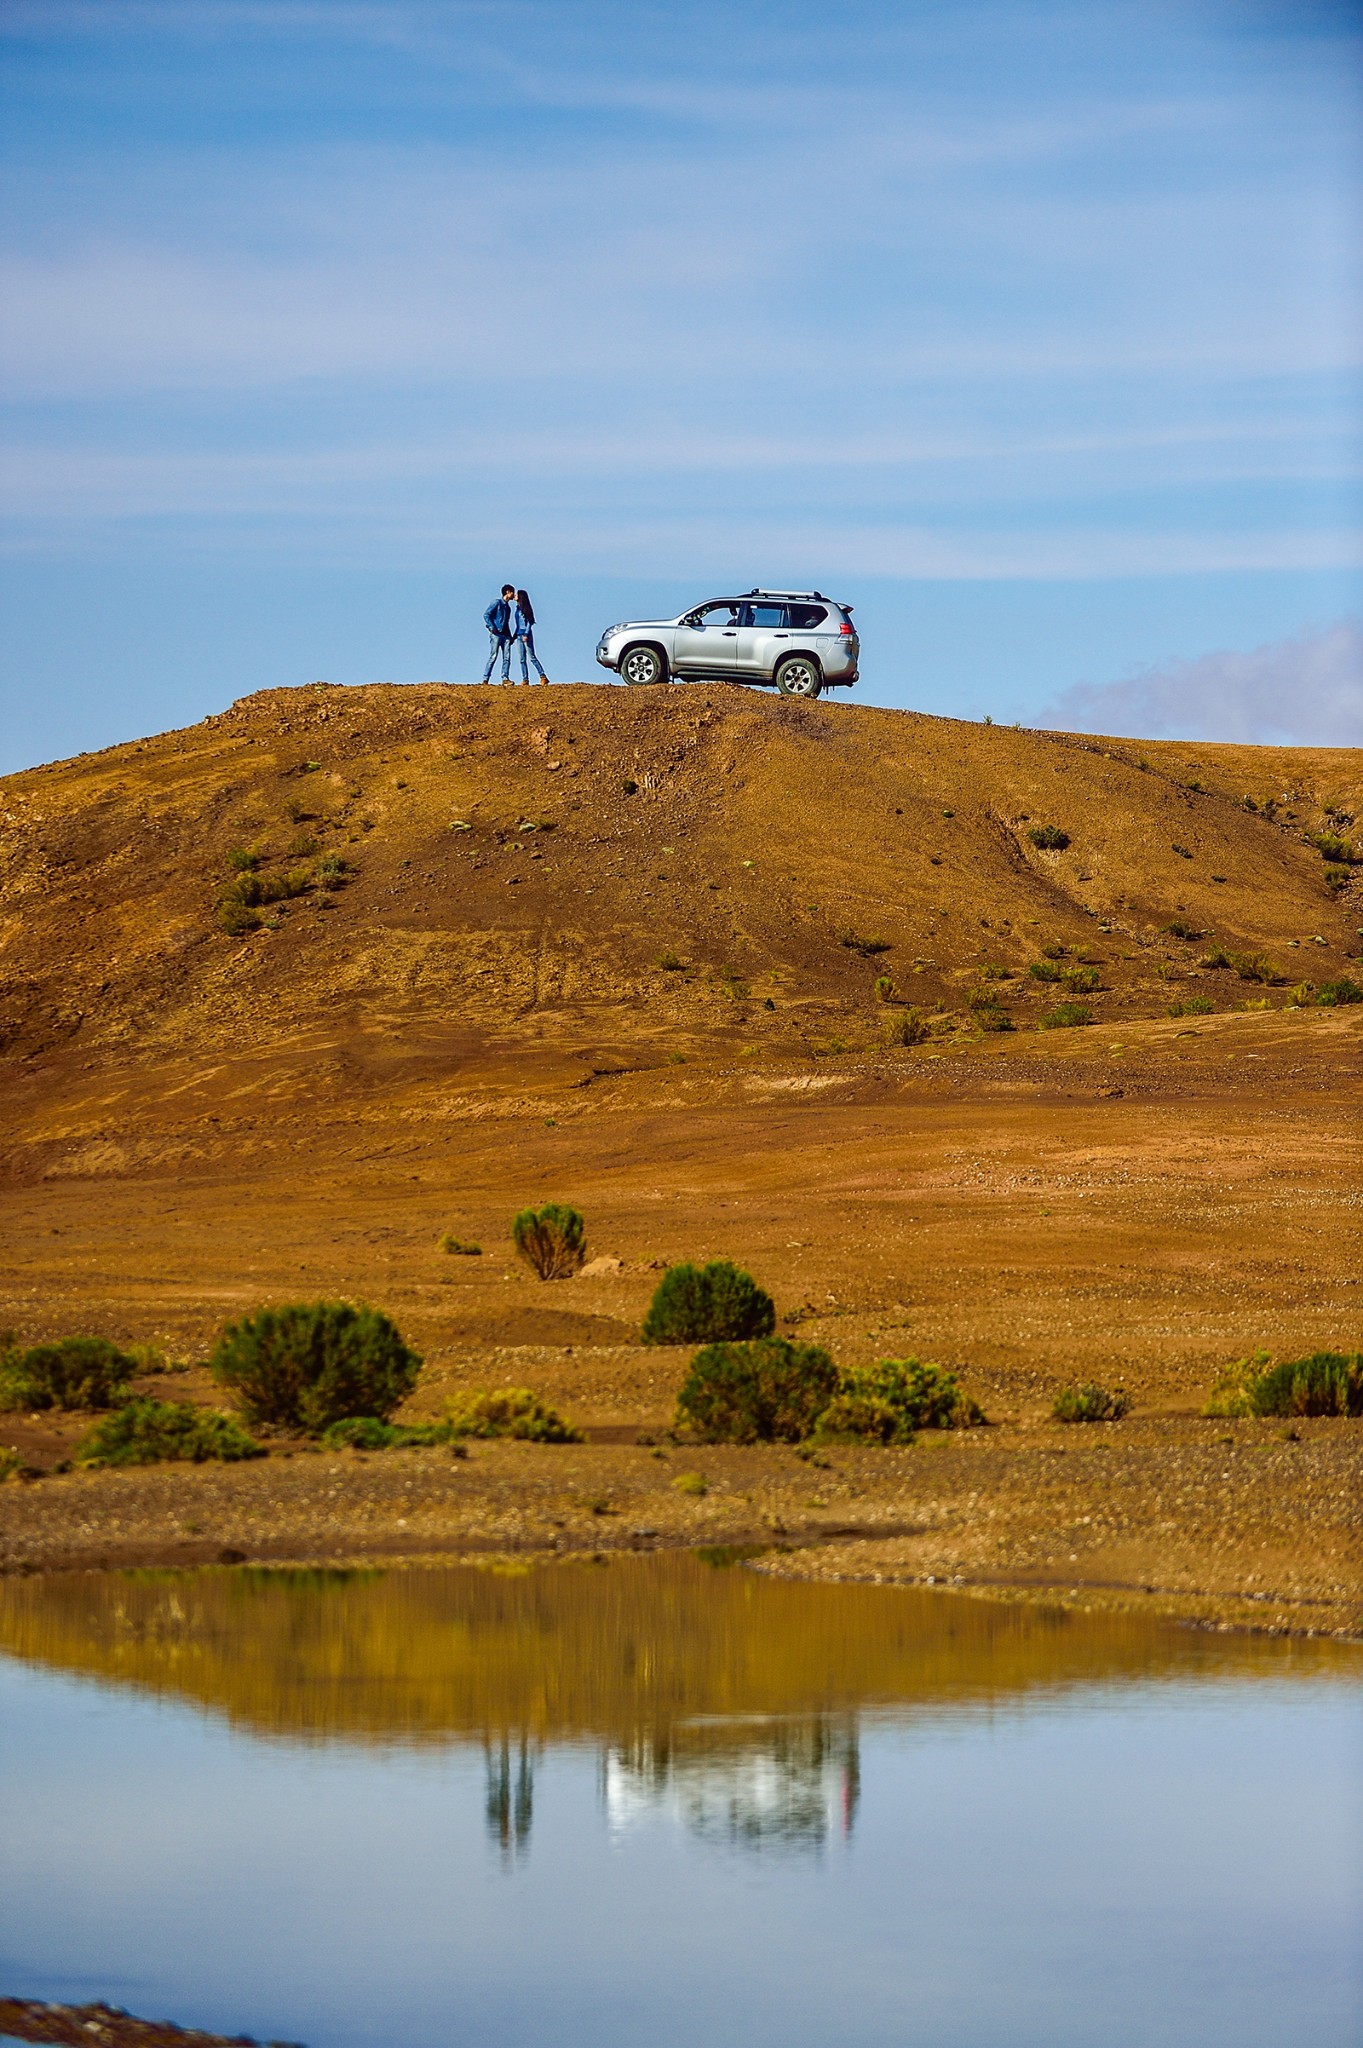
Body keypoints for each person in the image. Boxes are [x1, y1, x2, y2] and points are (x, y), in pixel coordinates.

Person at [513, 588, 550, 685]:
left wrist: (526, 633)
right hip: (519, 635)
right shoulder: (517, 609)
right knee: (522, 659)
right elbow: (517, 624)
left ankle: (542, 676)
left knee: (531, 657)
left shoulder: (525, 609)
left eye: (517, 594)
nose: (515, 596)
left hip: (525, 635)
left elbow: (529, 622)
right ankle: (525, 679)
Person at [482, 585, 516, 683]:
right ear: (508, 592)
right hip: (496, 634)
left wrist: (510, 636)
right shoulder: (496, 602)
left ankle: (505, 678)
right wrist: (492, 627)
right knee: (493, 656)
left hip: (505, 635)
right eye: (512, 592)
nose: (514, 595)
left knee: (507, 657)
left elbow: (506, 623)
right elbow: (486, 615)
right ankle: (485, 678)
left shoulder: (508, 608)